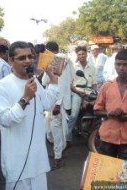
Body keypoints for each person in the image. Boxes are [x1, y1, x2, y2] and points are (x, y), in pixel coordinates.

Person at [0, 41, 59, 190]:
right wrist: (25, 99)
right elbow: (5, 120)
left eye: (31, 56)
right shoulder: (2, 86)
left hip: (37, 160)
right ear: (11, 61)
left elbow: (48, 104)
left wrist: (53, 81)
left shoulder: (34, 80)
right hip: (17, 161)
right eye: (22, 58)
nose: (28, 61)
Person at [42, 41, 74, 170]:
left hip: (55, 101)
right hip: (63, 100)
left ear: (48, 50)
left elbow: (46, 80)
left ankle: (58, 157)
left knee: (54, 130)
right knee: (57, 129)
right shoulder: (68, 59)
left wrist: (56, 104)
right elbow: (72, 78)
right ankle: (59, 153)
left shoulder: (53, 60)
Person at [66, 46, 97, 145]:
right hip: (77, 92)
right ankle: (67, 137)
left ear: (87, 54)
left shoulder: (92, 67)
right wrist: (78, 92)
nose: (81, 56)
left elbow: (94, 84)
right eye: (79, 54)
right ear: (77, 56)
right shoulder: (74, 67)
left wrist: (94, 94)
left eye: (83, 54)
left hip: (89, 92)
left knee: (98, 111)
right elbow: (70, 84)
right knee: (74, 115)